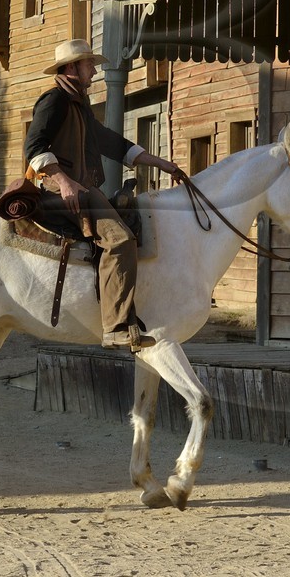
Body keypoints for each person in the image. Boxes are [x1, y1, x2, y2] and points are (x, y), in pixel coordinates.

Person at [24, 39, 186, 351]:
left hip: (84, 187)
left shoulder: (77, 104)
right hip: (66, 188)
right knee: (120, 240)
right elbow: (33, 146)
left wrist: (162, 163)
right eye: (89, 65)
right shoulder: (54, 100)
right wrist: (64, 181)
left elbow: (111, 142)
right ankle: (115, 327)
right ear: (72, 68)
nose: (94, 72)